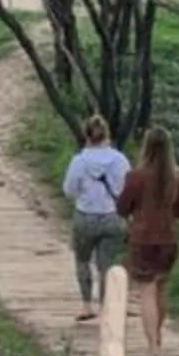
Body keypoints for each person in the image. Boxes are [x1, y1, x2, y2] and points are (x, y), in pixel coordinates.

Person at [117, 124, 179, 356]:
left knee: (146, 292)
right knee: (160, 289)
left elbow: (122, 207)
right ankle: (157, 334)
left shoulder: (136, 177)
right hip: (169, 239)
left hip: (142, 240)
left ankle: (152, 344)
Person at [61, 114, 130, 318]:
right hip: (112, 217)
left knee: (82, 261)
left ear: (86, 135)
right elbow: (127, 188)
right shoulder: (120, 160)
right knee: (107, 265)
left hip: (85, 216)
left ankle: (86, 305)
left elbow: (69, 190)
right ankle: (105, 305)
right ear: (107, 134)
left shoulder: (79, 161)